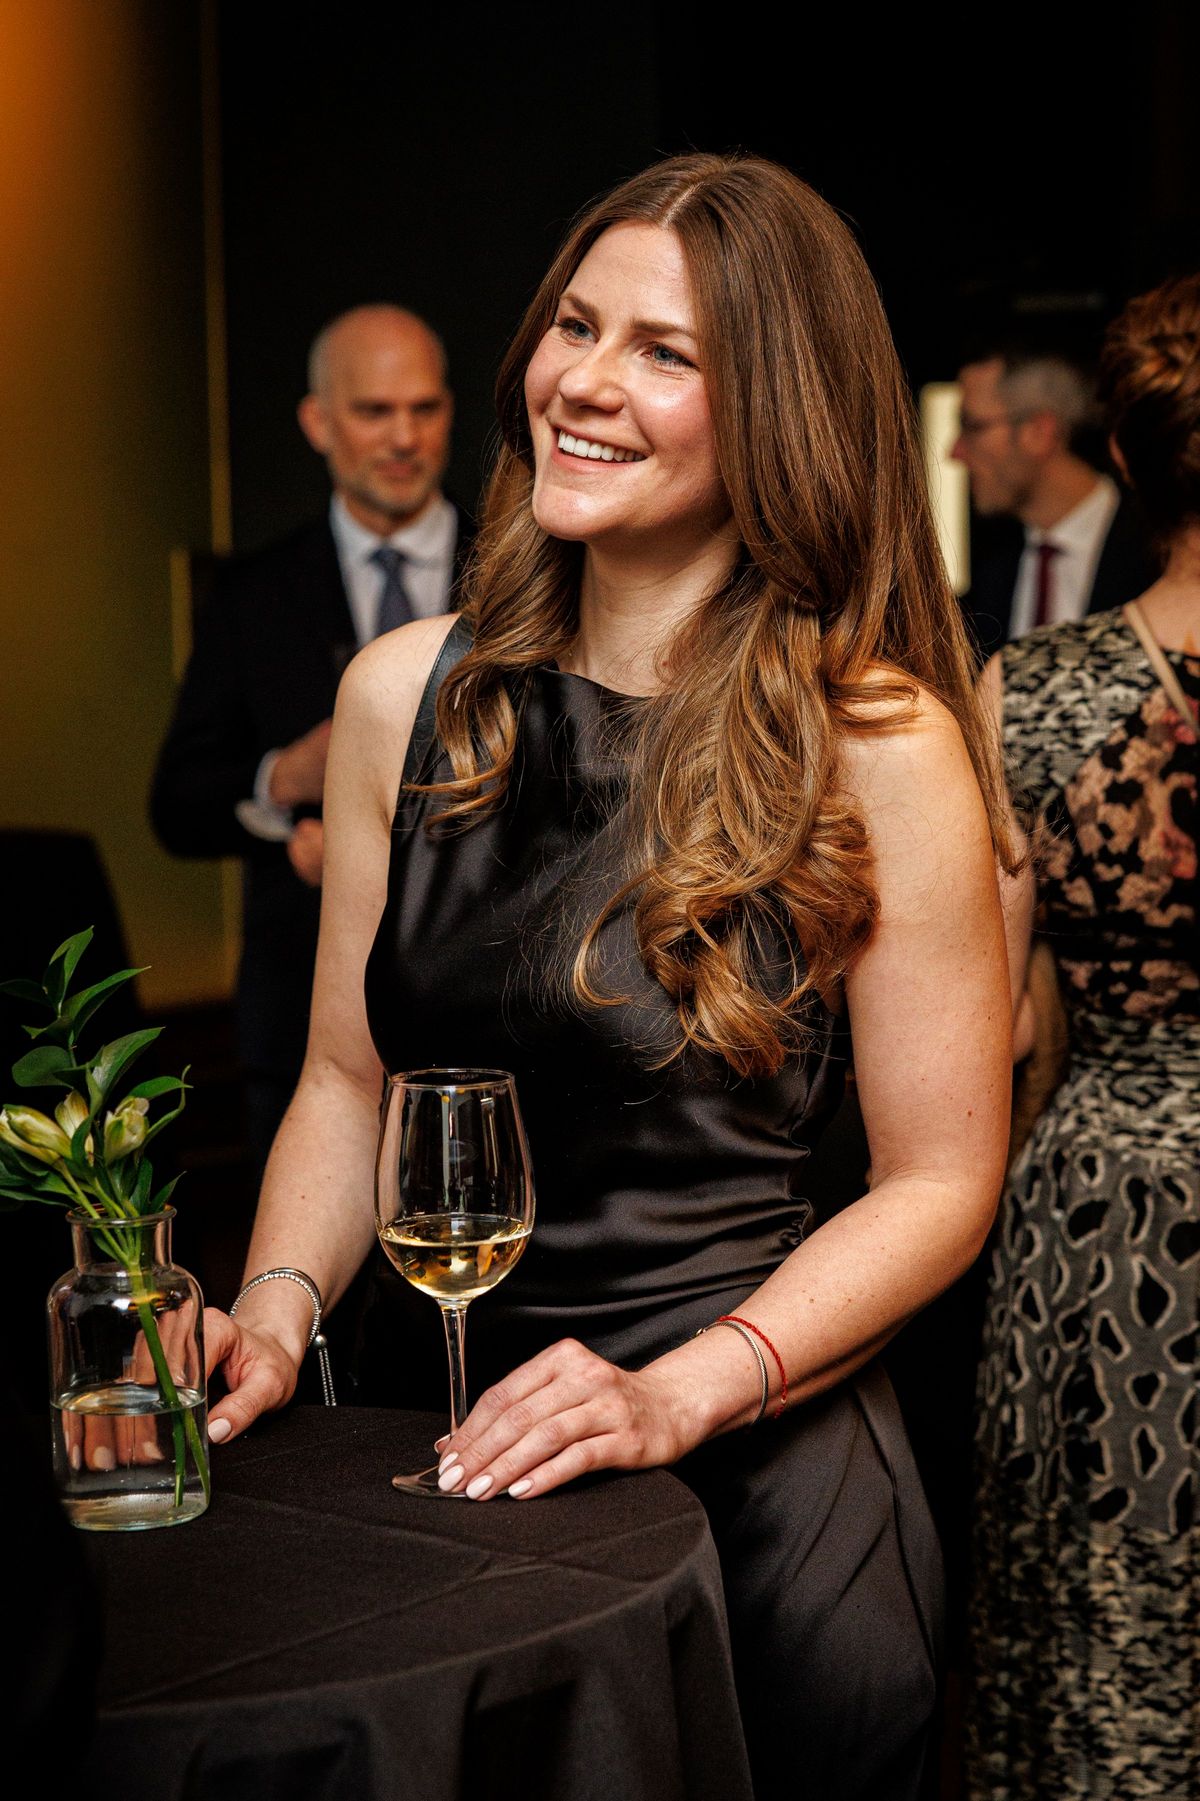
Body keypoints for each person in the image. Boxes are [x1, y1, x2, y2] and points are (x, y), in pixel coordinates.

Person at [204, 155, 1015, 1799]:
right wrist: (276, 1314)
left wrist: (673, 1398)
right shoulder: (400, 697)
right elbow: (349, 1084)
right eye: (574, 325)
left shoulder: (878, 741)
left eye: (664, 352)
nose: (583, 379)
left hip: (756, 1490)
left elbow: (942, 1181)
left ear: (777, 413)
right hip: (437, 1453)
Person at [966, 275, 1200, 1799]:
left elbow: (986, 1029)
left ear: (1123, 455)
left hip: (1111, 1217)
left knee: (1105, 1618)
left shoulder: (1035, 694)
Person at [151, 306, 471, 1167]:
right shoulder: (252, 594)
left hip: (483, 1023)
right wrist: (281, 781)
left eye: (424, 408)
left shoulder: (523, 575)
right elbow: (177, 803)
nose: (403, 437)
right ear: (318, 421)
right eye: (374, 411)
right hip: (297, 1024)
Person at [952, 338, 1157, 658]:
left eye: (972, 426)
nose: (955, 452)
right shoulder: (988, 564)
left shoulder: (1156, 547)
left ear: (1039, 432)